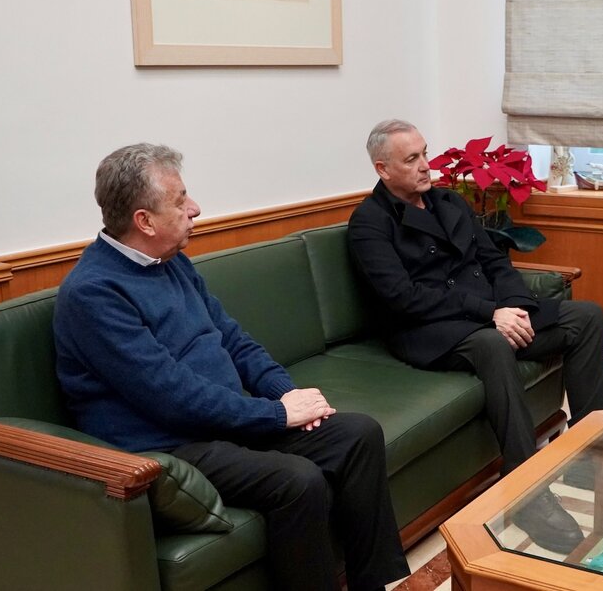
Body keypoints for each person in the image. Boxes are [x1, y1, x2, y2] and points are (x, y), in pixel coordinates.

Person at [53, 143, 408, 591]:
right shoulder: (94, 293)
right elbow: (170, 395)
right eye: (180, 200)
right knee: (298, 480)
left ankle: (376, 583)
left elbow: (232, 339)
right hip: (168, 445)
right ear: (144, 221)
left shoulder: (171, 262)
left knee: (356, 435)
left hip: (220, 420)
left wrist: (284, 392)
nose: (195, 209)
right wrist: (275, 415)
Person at [348, 119, 603, 554]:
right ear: (383, 169)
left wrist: (516, 307)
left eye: (424, 153)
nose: (425, 165)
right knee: (492, 343)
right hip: (430, 330)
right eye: (411, 159)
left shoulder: (449, 201)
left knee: (586, 317)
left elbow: (494, 261)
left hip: (489, 313)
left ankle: (591, 455)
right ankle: (527, 491)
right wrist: (490, 313)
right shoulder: (369, 223)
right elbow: (403, 298)